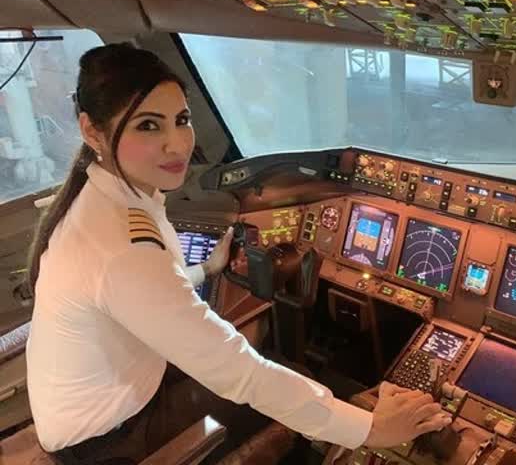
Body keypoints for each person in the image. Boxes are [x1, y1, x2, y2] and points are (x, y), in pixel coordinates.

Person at [25, 43, 451, 464]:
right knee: (268, 379)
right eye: (148, 126)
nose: (177, 144)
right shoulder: (119, 242)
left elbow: (144, 292)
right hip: (104, 441)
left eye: (182, 120)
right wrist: (370, 430)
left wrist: (206, 269)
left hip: (107, 393)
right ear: (91, 131)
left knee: (276, 367)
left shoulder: (110, 200)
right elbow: (239, 373)